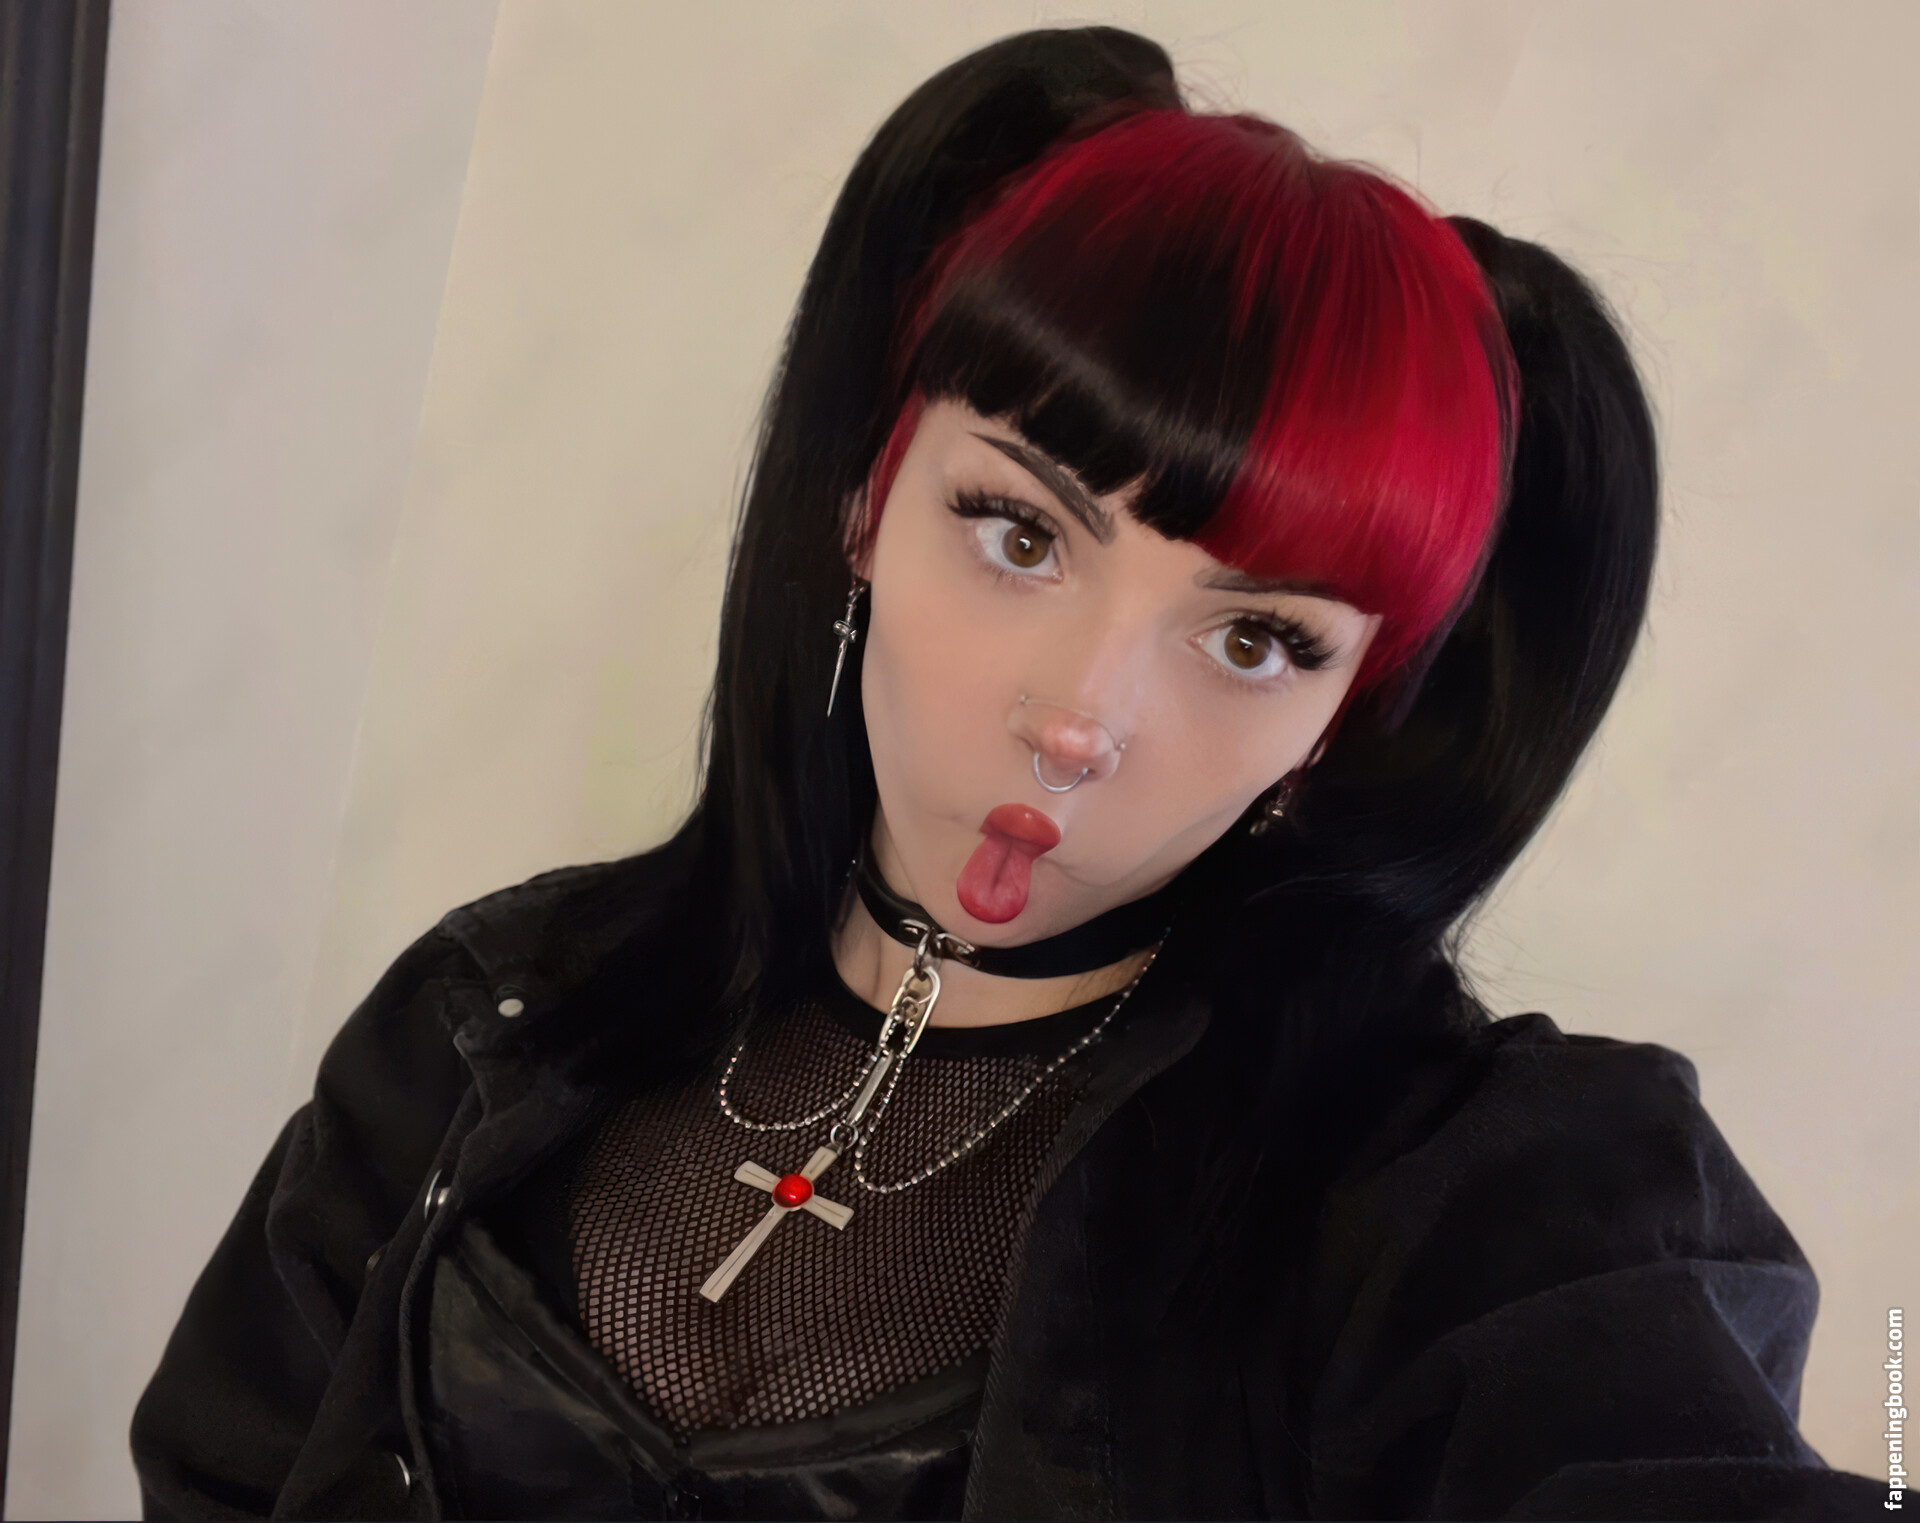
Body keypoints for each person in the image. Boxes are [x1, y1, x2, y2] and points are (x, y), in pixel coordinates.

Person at [130, 26, 1880, 1522]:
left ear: (1346, 719)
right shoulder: (484, 1021)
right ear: (864, 499)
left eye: (1258, 639)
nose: (1082, 717)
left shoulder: (1469, 1197)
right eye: (1021, 532)